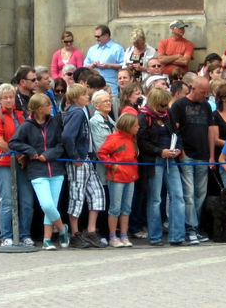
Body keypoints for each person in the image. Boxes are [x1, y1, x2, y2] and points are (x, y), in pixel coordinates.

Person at [8, 93, 70, 251]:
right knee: (47, 205)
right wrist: (31, 151)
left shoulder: (55, 123)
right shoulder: (27, 126)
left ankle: (47, 239)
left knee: (52, 206)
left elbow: (60, 145)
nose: (51, 107)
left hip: (56, 170)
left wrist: (47, 155)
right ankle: (63, 229)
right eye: (48, 105)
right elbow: (13, 142)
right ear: (39, 109)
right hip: (37, 171)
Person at [137, 87, 186, 246]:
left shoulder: (168, 114)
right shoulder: (144, 117)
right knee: (156, 199)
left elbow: (177, 133)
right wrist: (160, 151)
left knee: (178, 196)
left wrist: (178, 148)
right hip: (154, 161)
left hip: (171, 159)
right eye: (162, 105)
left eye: (166, 105)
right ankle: (156, 236)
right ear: (154, 103)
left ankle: (177, 235)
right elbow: (142, 142)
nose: (165, 108)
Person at [170, 74, 215, 245]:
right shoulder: (179, 105)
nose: (205, 96)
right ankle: (190, 228)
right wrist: (182, 152)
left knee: (200, 194)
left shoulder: (206, 106)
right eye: (203, 92)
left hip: (203, 155)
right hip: (187, 155)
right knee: (188, 194)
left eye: (207, 93)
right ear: (193, 88)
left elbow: (211, 131)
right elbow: (175, 130)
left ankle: (194, 227)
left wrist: (211, 155)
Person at [0, 83, 34, 247]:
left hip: (21, 162)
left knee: (27, 199)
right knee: (7, 199)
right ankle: (6, 235)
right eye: (5, 98)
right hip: (3, 162)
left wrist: (23, 155)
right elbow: (0, 142)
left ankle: (25, 234)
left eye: (11, 97)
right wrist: (17, 154)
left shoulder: (21, 116)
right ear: (0, 100)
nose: (9, 100)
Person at [61, 83, 105, 248]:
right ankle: (75, 233)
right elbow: (67, 136)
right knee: (77, 195)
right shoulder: (76, 112)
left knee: (97, 193)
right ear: (75, 97)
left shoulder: (81, 111)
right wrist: (74, 156)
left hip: (86, 158)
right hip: (79, 159)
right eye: (84, 94)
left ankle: (91, 231)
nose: (88, 96)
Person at [97, 113, 139, 248]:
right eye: (135, 125)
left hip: (131, 176)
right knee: (115, 208)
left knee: (126, 208)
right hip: (117, 178)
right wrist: (111, 164)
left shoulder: (133, 138)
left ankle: (124, 235)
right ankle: (112, 236)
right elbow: (102, 153)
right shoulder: (114, 138)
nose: (138, 127)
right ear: (128, 126)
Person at [85, 24, 126, 95]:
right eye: (95, 37)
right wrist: (92, 65)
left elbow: (124, 65)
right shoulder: (92, 49)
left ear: (106, 35)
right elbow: (85, 66)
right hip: (93, 87)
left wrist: (109, 66)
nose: (96, 39)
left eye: (98, 36)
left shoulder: (117, 48)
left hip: (110, 85)